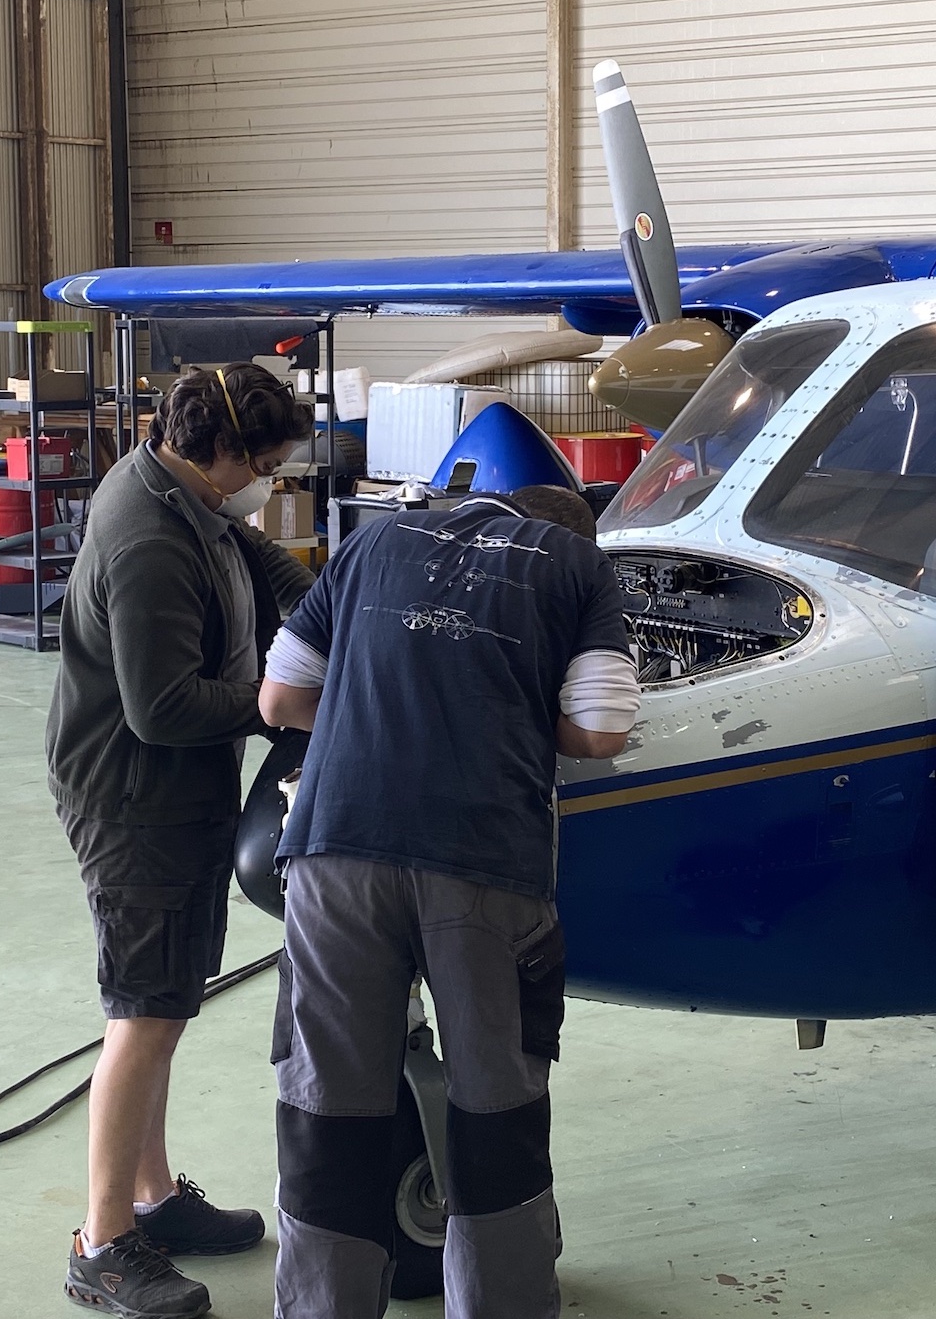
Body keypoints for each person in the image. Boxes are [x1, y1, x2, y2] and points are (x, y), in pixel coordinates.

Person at [257, 485, 642, 1319]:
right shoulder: (576, 563)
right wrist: (503, 709)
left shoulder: (371, 543)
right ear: (565, 533)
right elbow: (603, 730)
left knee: (328, 1111)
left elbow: (280, 701)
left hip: (335, 855)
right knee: (492, 1111)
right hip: (481, 862)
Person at [46, 362, 315, 1319]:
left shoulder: (180, 488)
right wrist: (279, 704)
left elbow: (255, 558)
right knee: (144, 1015)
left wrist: (339, 604)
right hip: (135, 794)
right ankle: (103, 1242)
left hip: (177, 791)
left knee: (166, 1002)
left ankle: (152, 1201)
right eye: (266, 466)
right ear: (222, 453)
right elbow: (159, 709)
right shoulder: (149, 536)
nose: (267, 486)